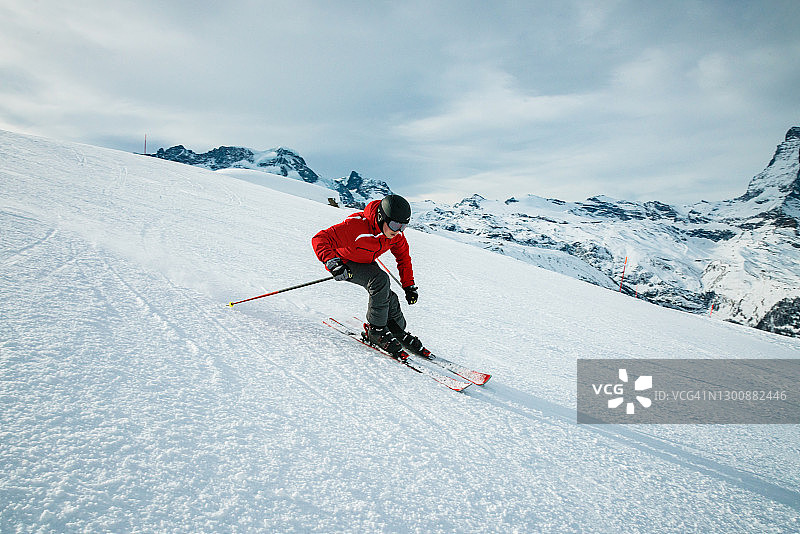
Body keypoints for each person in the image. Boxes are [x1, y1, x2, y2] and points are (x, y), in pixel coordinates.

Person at [312, 194, 423, 360]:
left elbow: (403, 259)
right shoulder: (356, 226)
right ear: (381, 217)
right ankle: (376, 331)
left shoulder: (396, 235)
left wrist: (409, 285)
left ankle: (397, 330)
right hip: (344, 263)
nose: (398, 230)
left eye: (403, 226)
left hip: (366, 261)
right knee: (379, 280)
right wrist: (332, 263)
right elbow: (320, 239)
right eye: (394, 224)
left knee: (386, 293)